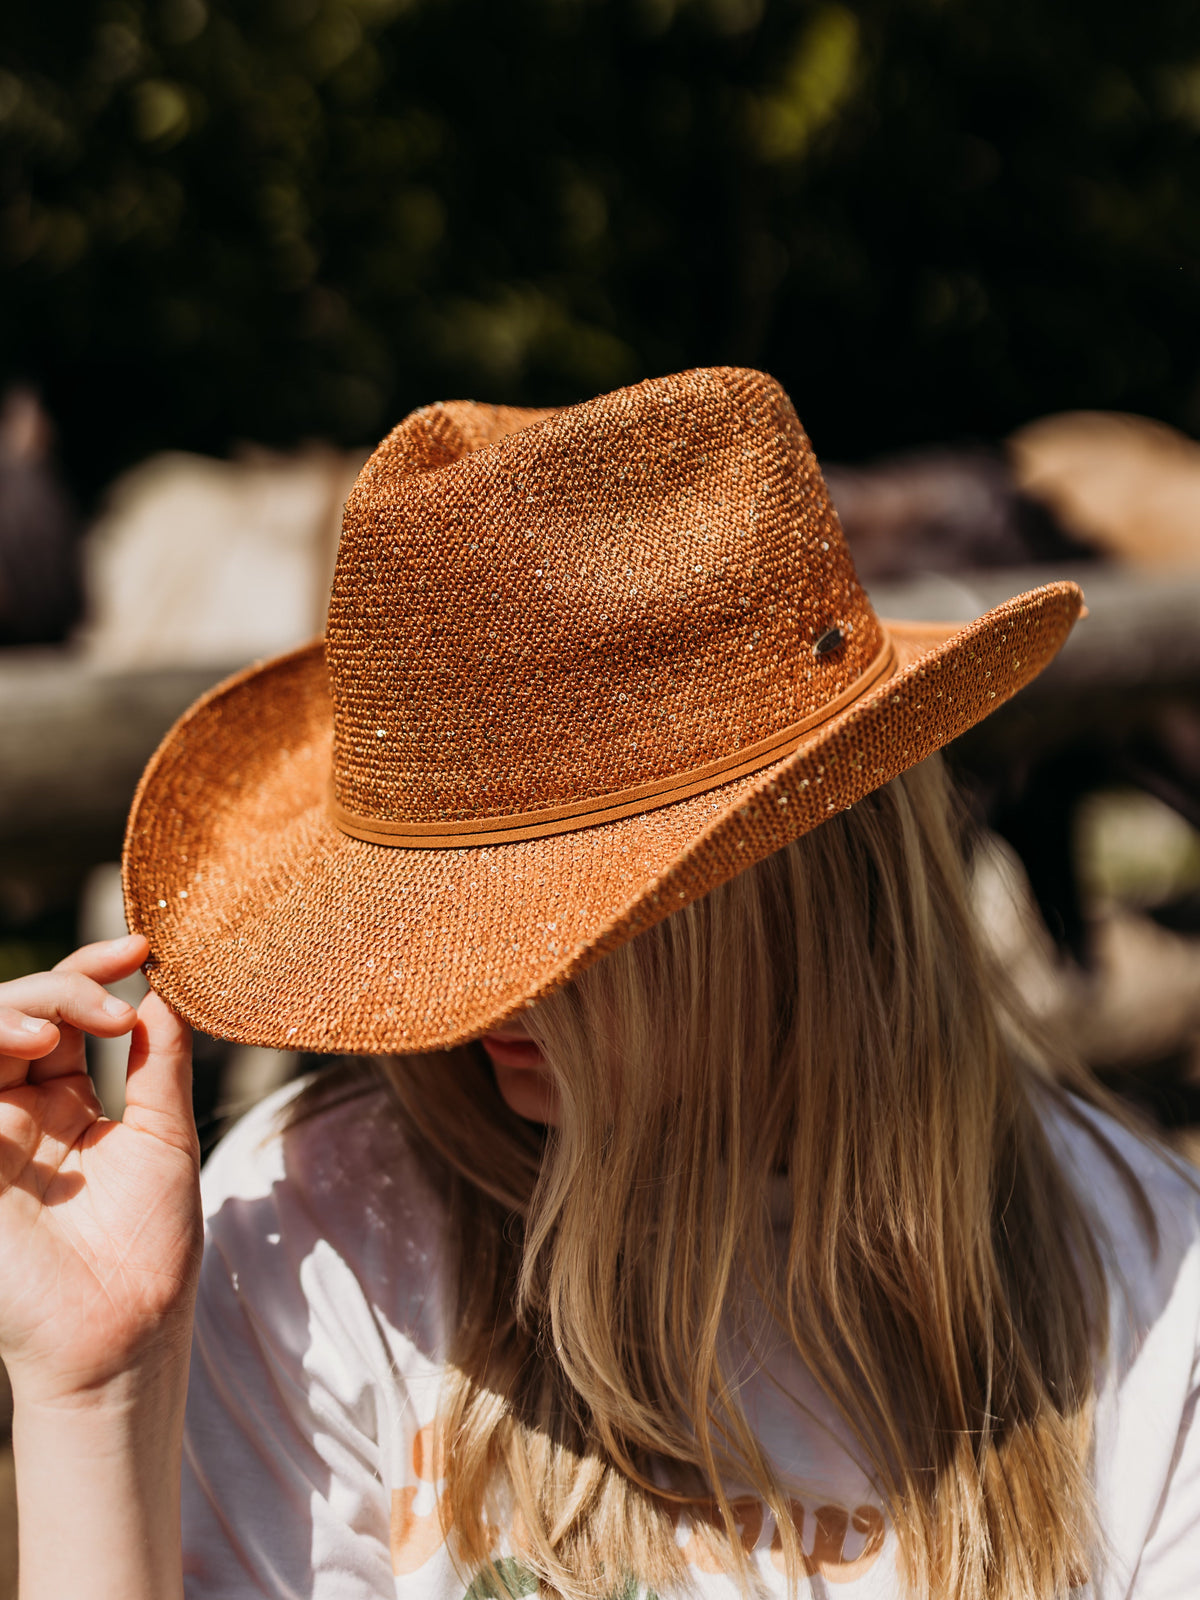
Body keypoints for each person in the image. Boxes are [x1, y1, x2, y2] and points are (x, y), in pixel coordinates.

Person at [0, 369, 1196, 1600]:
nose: (458, 981)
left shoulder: (1147, 1279)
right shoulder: (307, 1239)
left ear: (792, 874)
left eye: (548, 917)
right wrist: (94, 1395)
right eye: (428, 909)